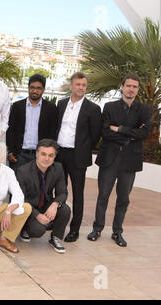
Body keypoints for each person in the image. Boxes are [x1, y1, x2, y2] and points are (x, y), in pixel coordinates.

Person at [88, 73, 151, 247]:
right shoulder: (109, 107)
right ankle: (97, 228)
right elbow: (105, 132)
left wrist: (120, 129)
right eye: (128, 85)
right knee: (103, 196)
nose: (131, 89)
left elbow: (144, 133)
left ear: (138, 90)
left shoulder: (144, 110)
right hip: (110, 159)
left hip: (130, 162)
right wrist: (129, 135)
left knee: (123, 199)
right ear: (122, 87)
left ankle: (117, 232)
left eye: (135, 86)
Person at [55, 72, 102, 242]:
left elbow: (95, 135)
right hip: (59, 154)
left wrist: (83, 148)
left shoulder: (93, 108)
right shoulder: (60, 104)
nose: (81, 88)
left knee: (77, 193)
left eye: (83, 85)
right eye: (78, 84)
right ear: (71, 86)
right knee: (58, 190)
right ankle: (55, 222)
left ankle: (74, 229)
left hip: (78, 156)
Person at [16, 139, 71, 254]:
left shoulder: (58, 168)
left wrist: (55, 204)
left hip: (46, 204)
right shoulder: (23, 171)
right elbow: (20, 199)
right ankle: (25, 229)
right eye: (43, 154)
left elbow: (63, 192)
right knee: (38, 230)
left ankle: (55, 238)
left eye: (51, 155)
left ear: (54, 156)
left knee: (65, 209)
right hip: (30, 208)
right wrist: (36, 215)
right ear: (37, 154)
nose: (46, 158)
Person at [6, 74, 58, 170]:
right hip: (19, 155)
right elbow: (10, 130)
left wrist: (49, 155)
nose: (35, 91)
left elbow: (53, 133)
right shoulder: (17, 106)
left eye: (38, 88)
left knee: (39, 185)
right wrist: (10, 152)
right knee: (17, 184)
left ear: (43, 89)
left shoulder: (51, 108)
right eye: (32, 87)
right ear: (28, 88)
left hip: (41, 156)